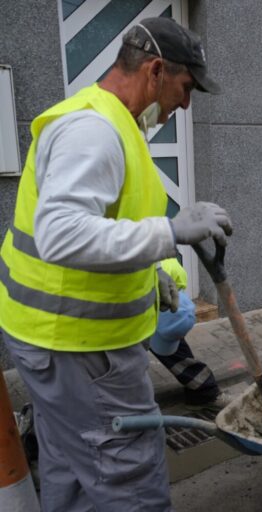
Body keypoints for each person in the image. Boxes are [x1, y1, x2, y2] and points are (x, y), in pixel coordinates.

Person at [0, 18, 232, 510]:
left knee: (70, 466)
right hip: (80, 352)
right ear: (154, 71)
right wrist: (168, 232)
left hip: (52, 343)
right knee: (129, 473)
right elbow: (61, 234)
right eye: (186, 88)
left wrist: (149, 277)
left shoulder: (110, 124)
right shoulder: (95, 131)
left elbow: (96, 230)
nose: (186, 105)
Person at [150, 258, 230, 410]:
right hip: (114, 307)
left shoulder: (173, 276)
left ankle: (202, 393)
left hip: (153, 295)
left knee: (171, 341)